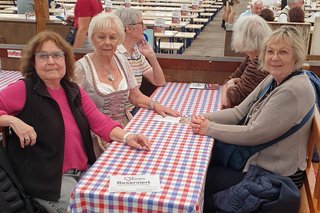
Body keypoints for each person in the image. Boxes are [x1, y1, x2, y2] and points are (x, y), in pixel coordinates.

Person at [0, 31, 151, 212]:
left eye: (57, 55)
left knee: (123, 201)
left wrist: (127, 136)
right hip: (50, 182)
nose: (51, 61)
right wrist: (11, 121)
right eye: (43, 56)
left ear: (66, 59)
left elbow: (99, 121)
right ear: (33, 62)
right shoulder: (23, 89)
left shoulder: (72, 89)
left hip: (83, 171)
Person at [191, 25, 315, 212]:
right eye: (270, 51)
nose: (274, 57)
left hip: (276, 176)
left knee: (202, 178)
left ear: (296, 56)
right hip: (261, 163)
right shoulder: (273, 79)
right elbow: (239, 112)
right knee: (205, 166)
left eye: (283, 52)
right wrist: (202, 118)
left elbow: (253, 133)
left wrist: (209, 128)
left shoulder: (292, 90)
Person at [75, 12, 181, 128]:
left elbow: (135, 96)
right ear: (92, 39)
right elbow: (74, 108)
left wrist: (155, 105)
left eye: (112, 37)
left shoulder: (122, 60)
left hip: (125, 125)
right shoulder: (81, 68)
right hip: (96, 131)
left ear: (119, 39)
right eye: (101, 37)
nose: (107, 42)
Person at [221, 15, 271, 109]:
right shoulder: (252, 57)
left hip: (249, 115)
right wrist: (230, 85)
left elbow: (236, 98)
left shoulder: (259, 62)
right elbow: (230, 79)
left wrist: (230, 84)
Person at [114, 8, 166, 89]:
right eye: (141, 24)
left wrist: (151, 56)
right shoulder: (114, 54)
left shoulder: (136, 53)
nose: (145, 27)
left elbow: (160, 81)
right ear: (129, 28)